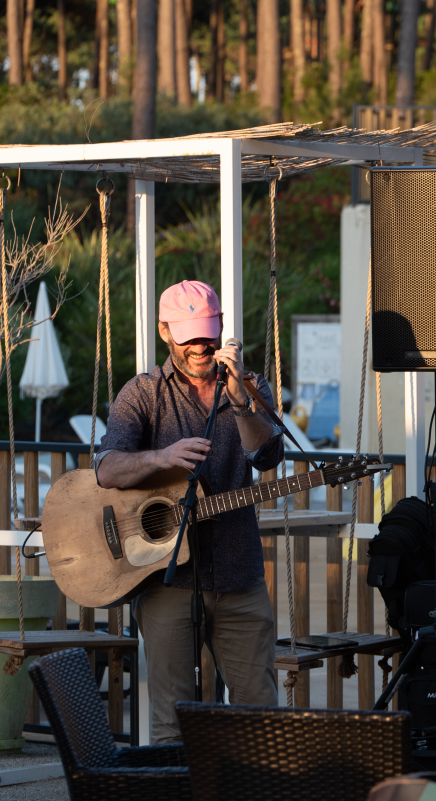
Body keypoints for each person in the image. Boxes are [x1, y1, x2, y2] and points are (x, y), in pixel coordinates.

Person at [96, 280, 285, 743]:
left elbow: (268, 457)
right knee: (173, 722)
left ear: (221, 328)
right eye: (189, 336)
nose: (202, 346)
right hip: (166, 579)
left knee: (258, 717)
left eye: (208, 333)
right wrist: (160, 458)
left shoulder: (251, 386)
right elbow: (105, 468)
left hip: (239, 575)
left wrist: (240, 397)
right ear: (165, 332)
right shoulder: (143, 393)